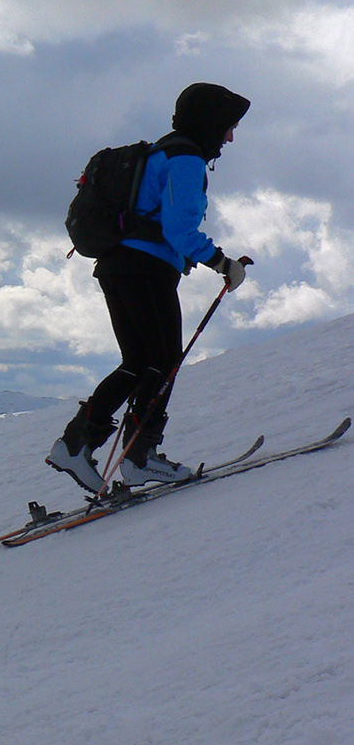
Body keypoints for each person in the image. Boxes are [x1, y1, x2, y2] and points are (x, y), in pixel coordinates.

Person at [47, 82, 252, 493]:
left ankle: (79, 445)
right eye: (228, 126)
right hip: (146, 268)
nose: (230, 137)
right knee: (161, 360)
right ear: (210, 122)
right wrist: (222, 264)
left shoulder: (162, 152)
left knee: (140, 361)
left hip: (118, 265)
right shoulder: (185, 158)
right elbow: (179, 230)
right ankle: (137, 457)